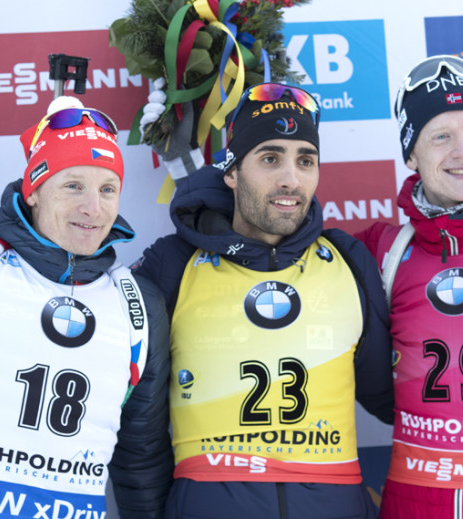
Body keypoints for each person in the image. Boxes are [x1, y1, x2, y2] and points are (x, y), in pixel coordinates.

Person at [134, 82, 394, 519]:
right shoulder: (173, 263)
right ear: (231, 172)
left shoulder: (348, 260)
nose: (290, 179)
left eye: (305, 160)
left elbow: (393, 403)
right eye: (270, 158)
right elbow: (137, 424)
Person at [355, 55, 463, 518]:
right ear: (411, 153)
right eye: (441, 137)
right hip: (412, 501)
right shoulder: (381, 251)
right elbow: (278, 255)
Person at [0, 97, 173, 518]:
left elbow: (141, 457)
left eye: (107, 189)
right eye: (73, 185)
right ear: (34, 191)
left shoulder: (137, 303)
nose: (94, 209)